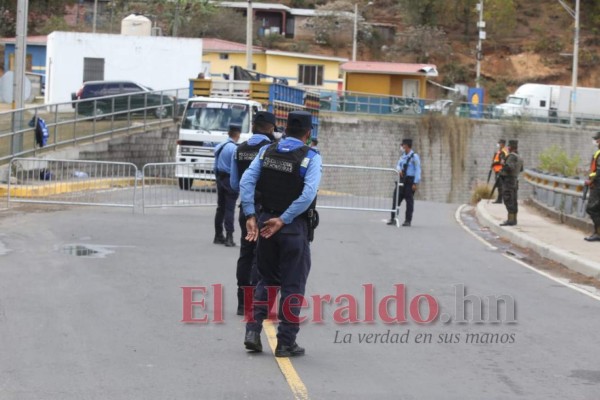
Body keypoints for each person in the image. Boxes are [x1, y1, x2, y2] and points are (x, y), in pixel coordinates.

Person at [241, 111, 322, 357]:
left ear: (285, 128)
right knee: (292, 284)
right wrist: (285, 219)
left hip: (266, 222)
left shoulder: (267, 151)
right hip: (292, 226)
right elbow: (307, 195)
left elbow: (246, 182)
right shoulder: (311, 157)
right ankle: (286, 342)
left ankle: (253, 331)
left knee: (265, 279)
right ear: (308, 133)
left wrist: (251, 216)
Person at [230, 111, 277, 315]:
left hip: (245, 209)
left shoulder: (239, 149)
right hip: (264, 209)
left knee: (246, 253)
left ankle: (242, 302)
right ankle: (257, 303)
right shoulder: (271, 149)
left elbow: (234, 184)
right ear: (271, 128)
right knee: (263, 256)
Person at [213, 124, 241, 246]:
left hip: (220, 178)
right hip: (230, 180)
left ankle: (218, 235)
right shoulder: (234, 149)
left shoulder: (220, 146)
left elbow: (215, 166)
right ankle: (229, 237)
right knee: (230, 209)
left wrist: (217, 178)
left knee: (220, 208)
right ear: (238, 134)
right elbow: (236, 168)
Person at [387, 138, 421, 227]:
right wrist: (399, 170)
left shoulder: (414, 157)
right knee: (396, 198)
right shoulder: (402, 156)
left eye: (403, 145)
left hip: (410, 181)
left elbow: (418, 170)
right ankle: (393, 218)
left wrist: (415, 183)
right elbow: (398, 165)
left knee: (409, 201)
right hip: (401, 180)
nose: (401, 147)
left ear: (407, 146)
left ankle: (408, 220)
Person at [499, 139, 524, 226]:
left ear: (511, 147)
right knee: (513, 200)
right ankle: (513, 219)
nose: (508, 147)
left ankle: (511, 220)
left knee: (508, 199)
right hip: (514, 180)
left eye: (509, 146)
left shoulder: (512, 156)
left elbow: (509, 167)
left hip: (508, 181)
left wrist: (503, 163)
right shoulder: (519, 157)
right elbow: (521, 169)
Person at [584, 131, 600, 241]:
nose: (595, 141)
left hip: (598, 185)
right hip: (596, 184)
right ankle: (596, 232)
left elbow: (599, 170)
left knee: (592, 209)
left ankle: (598, 234)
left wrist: (591, 180)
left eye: (597, 139)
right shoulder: (598, 152)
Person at [490, 139, 509, 203]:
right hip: (497, 170)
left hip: (500, 171)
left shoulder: (503, 152)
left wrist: (494, 163)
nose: (498, 145)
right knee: (499, 185)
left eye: (499, 143)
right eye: (498, 143)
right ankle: (499, 199)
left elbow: (502, 162)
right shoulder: (499, 151)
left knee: (500, 186)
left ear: (503, 144)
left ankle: (500, 199)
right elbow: (496, 159)